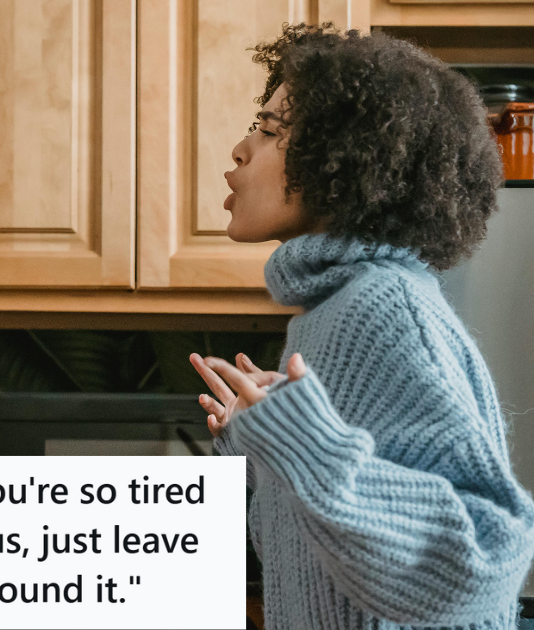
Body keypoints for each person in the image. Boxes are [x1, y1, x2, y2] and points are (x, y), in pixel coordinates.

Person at [189, 24, 534, 628]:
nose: (240, 149)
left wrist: (310, 449)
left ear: (345, 160)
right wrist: (266, 448)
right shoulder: (327, 312)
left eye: (268, 130)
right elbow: (326, 563)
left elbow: (488, 560)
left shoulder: (383, 307)